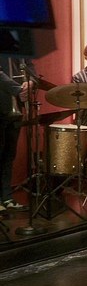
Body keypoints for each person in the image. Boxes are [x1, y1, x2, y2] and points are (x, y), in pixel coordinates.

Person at [0, 57, 34, 214]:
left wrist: (31, 82)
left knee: (9, 155)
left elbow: (30, 67)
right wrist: (19, 89)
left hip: (16, 108)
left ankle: (7, 197)